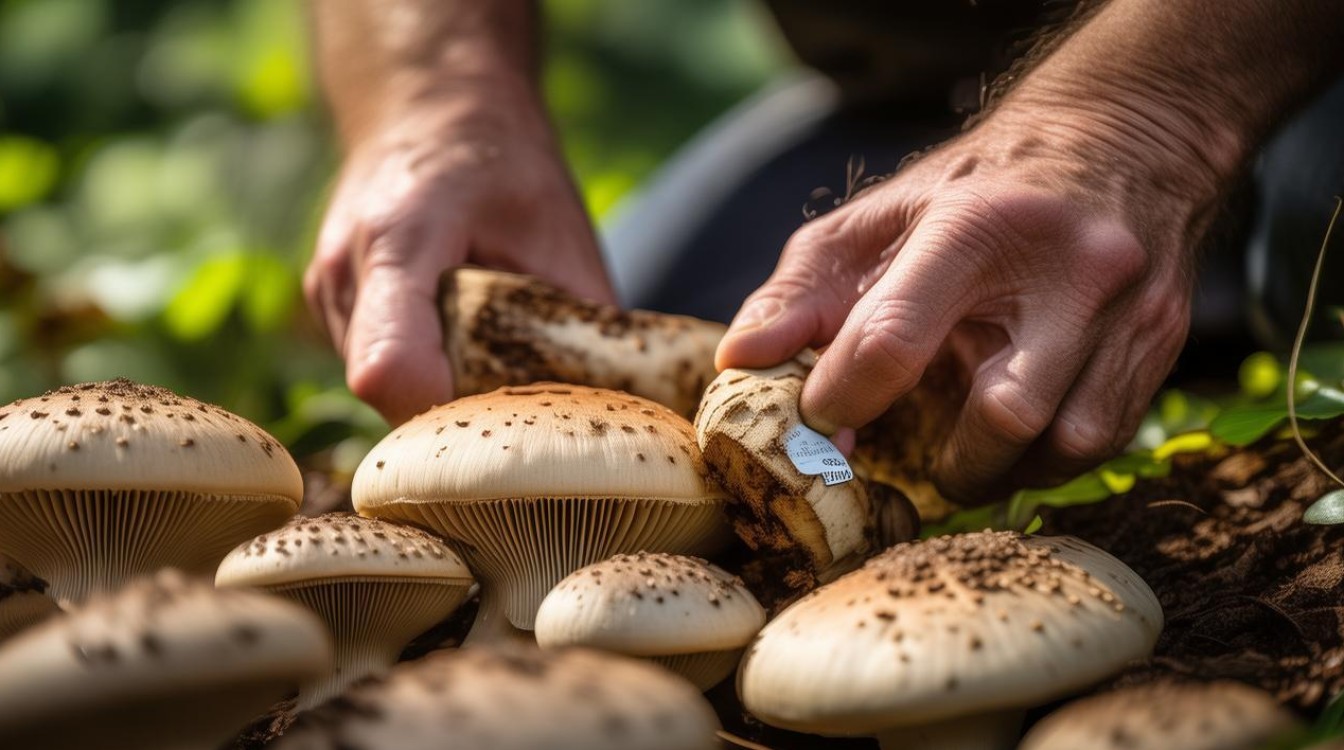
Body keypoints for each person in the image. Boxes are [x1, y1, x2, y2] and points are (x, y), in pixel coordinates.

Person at [304, 1, 1344, 505]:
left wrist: (1141, 120)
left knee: (1320, 240)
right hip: (906, 107)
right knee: (627, 413)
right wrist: (433, 98)